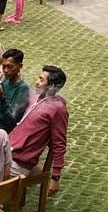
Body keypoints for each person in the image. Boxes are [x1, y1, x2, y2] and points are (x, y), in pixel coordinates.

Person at [9, 65, 68, 195]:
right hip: (7, 152)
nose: (37, 82)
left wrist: (55, 177)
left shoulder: (57, 109)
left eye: (41, 80)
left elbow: (59, 145)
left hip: (18, 163)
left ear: (52, 86)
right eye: (38, 78)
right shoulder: (34, 97)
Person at [0, 48, 29, 132]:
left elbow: (12, 120)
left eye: (10, 67)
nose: (5, 70)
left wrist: (2, 98)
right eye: (3, 66)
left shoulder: (22, 88)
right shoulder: (5, 80)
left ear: (20, 66)